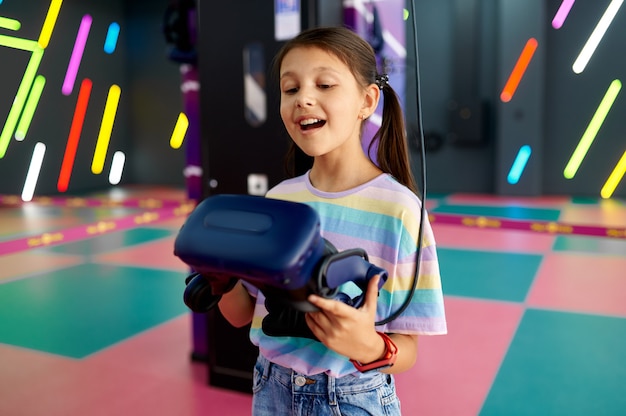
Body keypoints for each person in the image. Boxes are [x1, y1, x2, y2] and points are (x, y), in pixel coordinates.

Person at [217, 26, 447, 415]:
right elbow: (242, 313)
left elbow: (408, 350)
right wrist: (217, 276)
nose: (303, 98)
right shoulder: (279, 199)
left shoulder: (402, 210)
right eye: (291, 90)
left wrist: (370, 346)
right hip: (270, 388)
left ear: (367, 100)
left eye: (324, 85)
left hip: (354, 397)